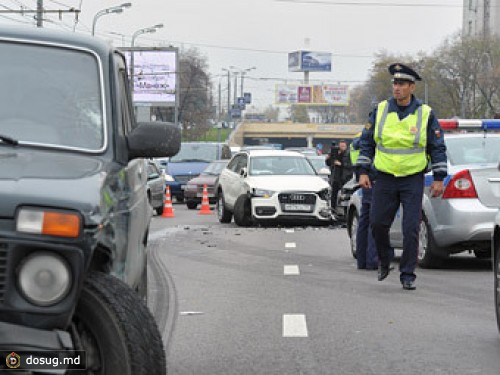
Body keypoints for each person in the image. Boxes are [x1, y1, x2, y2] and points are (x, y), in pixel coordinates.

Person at [357, 63, 447, 290]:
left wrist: (439, 178)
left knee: (410, 229)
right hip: (385, 177)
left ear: (411, 87)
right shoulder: (380, 110)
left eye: (402, 84)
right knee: (377, 224)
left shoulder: (425, 113)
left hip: (412, 178)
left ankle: (407, 274)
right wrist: (363, 172)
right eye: (395, 83)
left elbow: (437, 147)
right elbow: (366, 142)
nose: (397, 88)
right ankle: (385, 259)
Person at [325, 140, 353, 215]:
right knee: (333, 195)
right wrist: (328, 158)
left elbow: (351, 165)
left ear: (346, 146)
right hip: (335, 177)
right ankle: (333, 211)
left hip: (345, 178)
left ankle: (345, 213)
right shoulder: (335, 153)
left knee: (345, 196)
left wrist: (341, 164)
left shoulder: (348, 154)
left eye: (343, 146)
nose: (342, 148)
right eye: (341, 146)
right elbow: (329, 163)